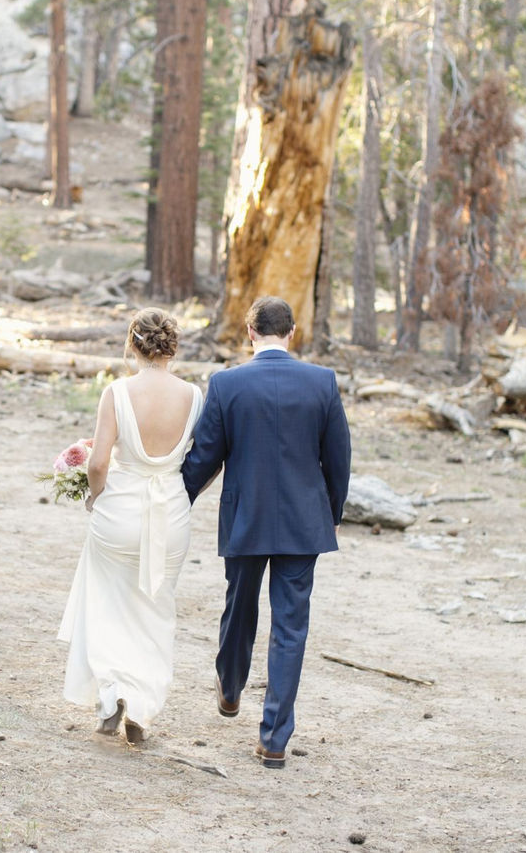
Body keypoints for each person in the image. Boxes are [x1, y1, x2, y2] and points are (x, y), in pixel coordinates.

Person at [182, 295, 351, 769]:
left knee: (239, 606)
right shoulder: (322, 382)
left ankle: (230, 687)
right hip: (303, 521)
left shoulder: (227, 384)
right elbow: (338, 456)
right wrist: (331, 510)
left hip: (246, 518)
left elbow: (204, 457)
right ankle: (275, 738)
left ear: (250, 332)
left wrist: (175, 498)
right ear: (292, 333)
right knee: (290, 627)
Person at [57, 308, 203, 745]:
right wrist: (181, 490)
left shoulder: (117, 392)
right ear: (173, 346)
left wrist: (94, 496)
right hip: (170, 513)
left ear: (132, 345)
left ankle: (111, 697)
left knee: (107, 605)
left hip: (120, 510)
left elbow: (99, 461)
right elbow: (207, 460)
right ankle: (141, 707)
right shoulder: (195, 396)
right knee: (155, 609)